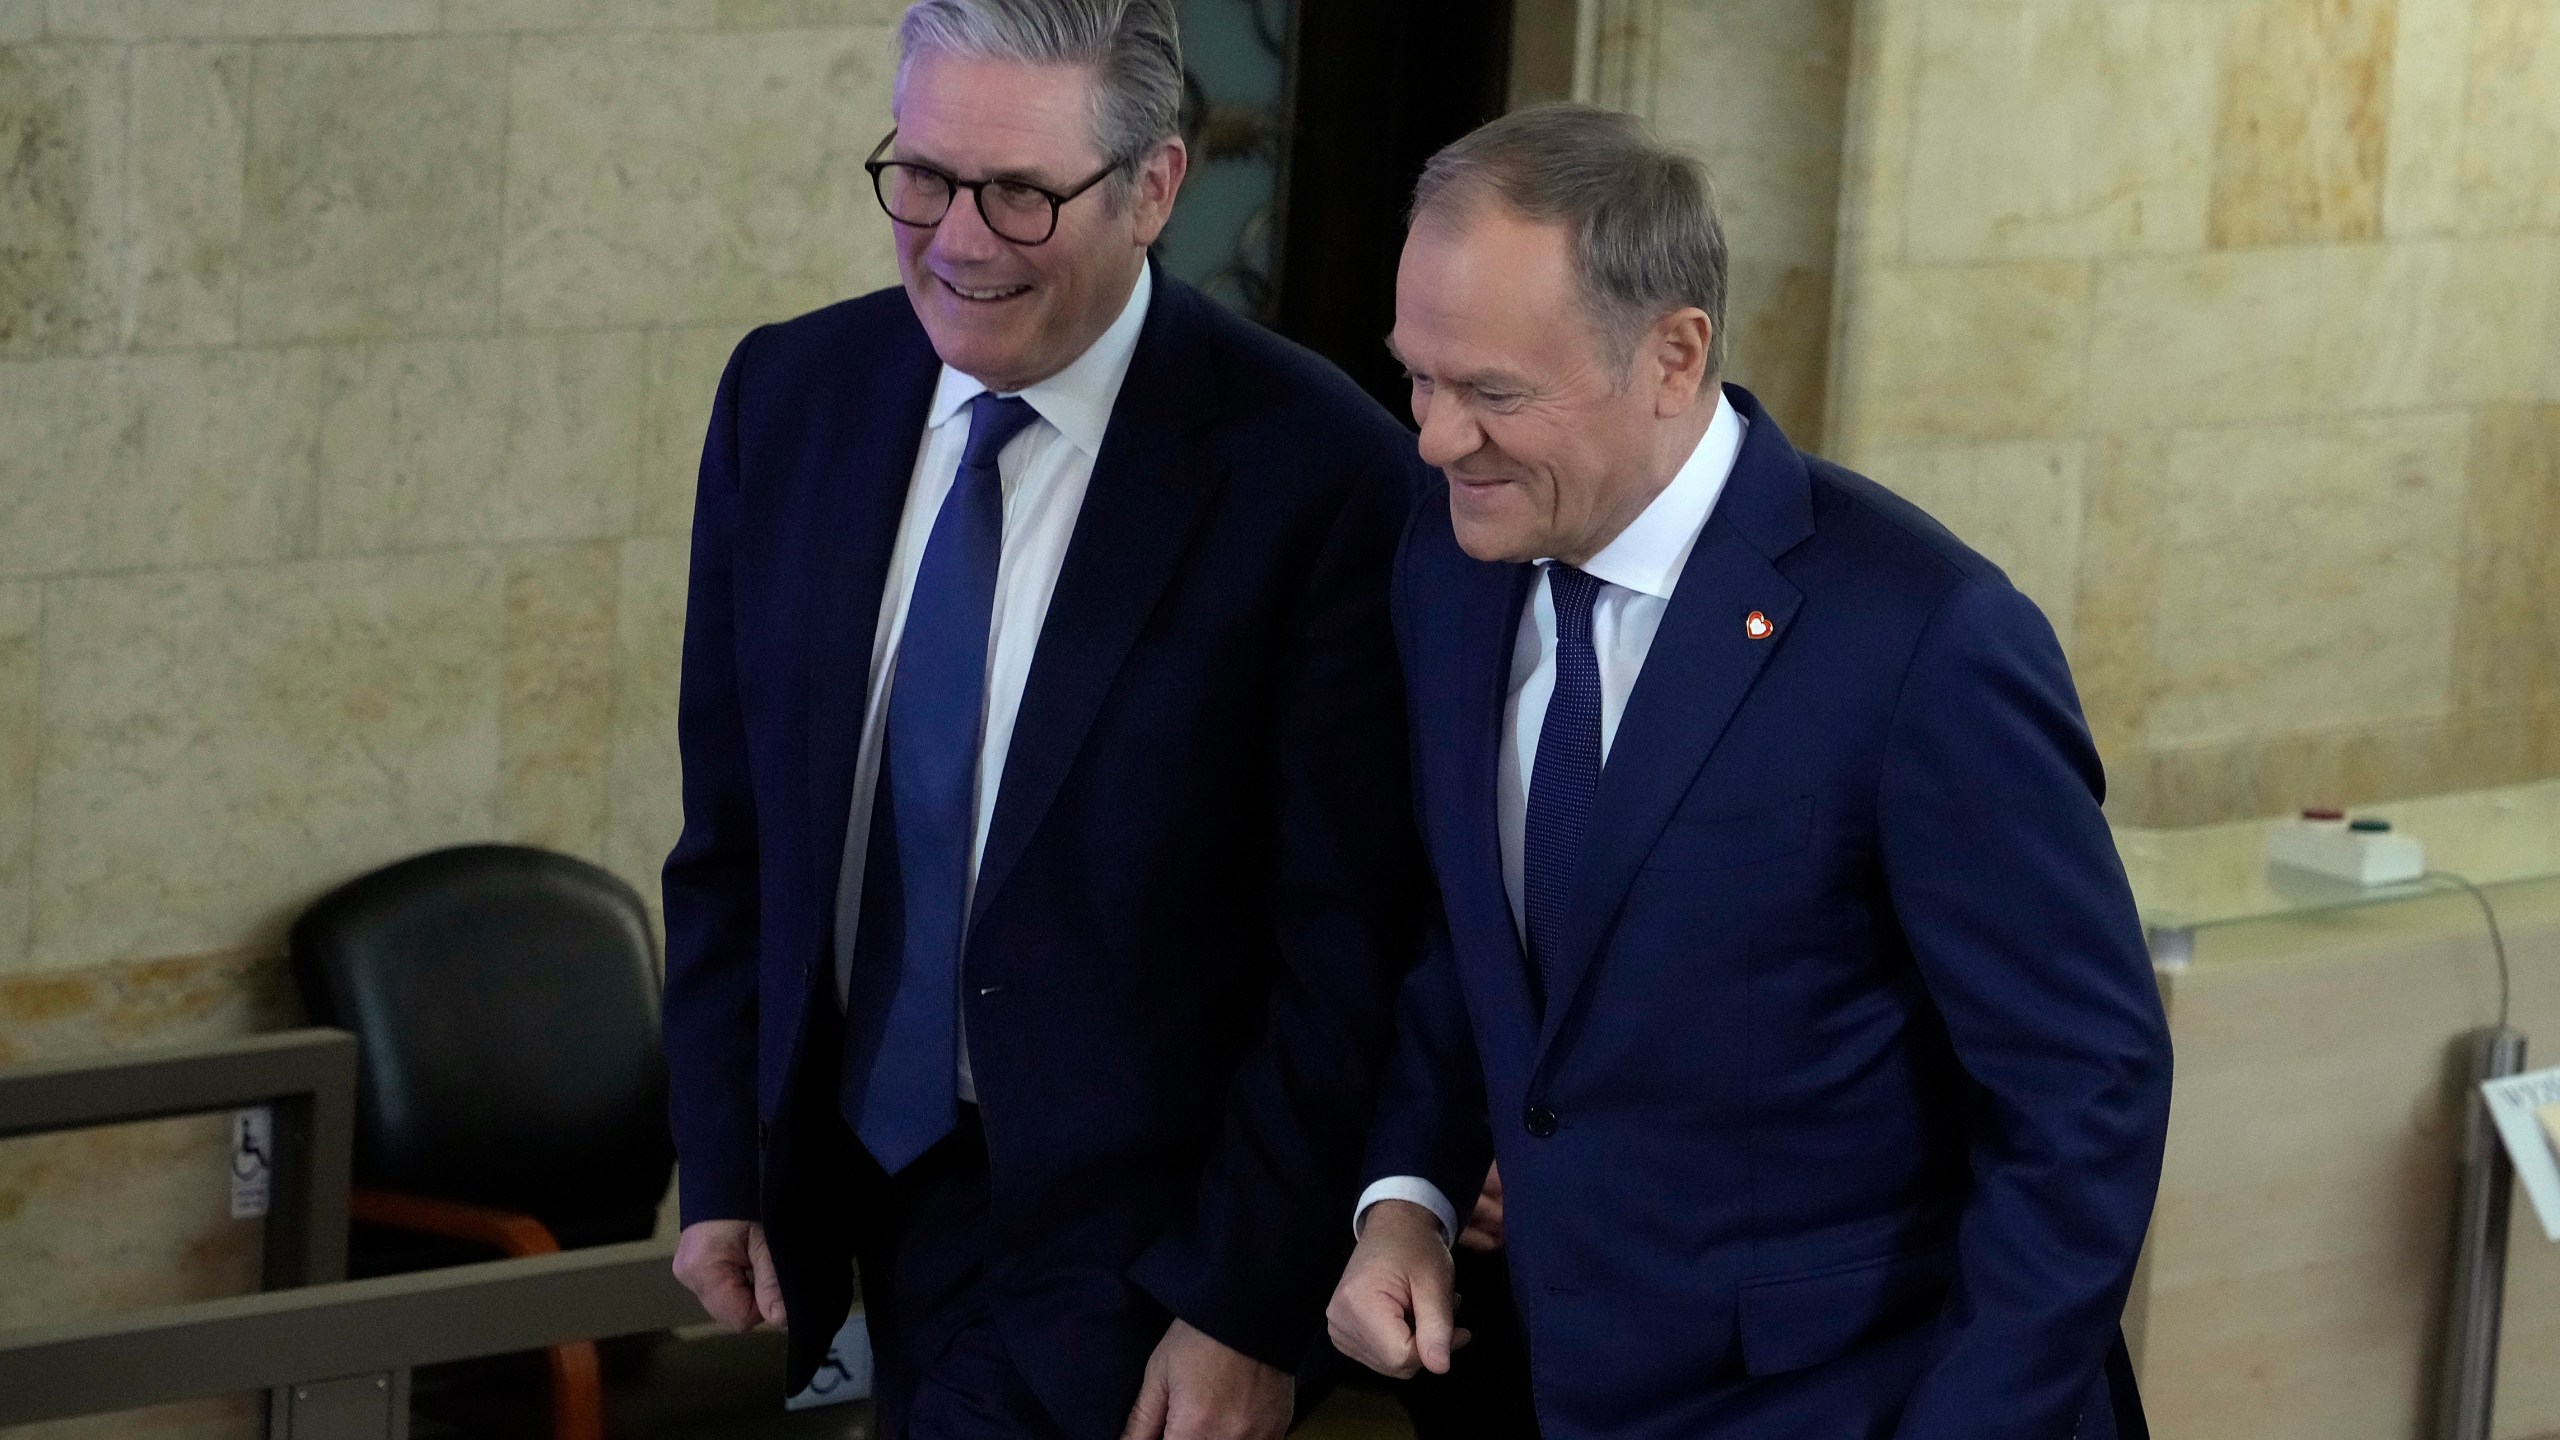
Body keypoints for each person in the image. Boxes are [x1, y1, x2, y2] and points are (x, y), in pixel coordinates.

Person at [1326, 105, 2174, 1440]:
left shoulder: (1926, 639)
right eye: (1419, 378)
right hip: (1530, 1387)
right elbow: (1471, 935)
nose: (1435, 440)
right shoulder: (1448, 562)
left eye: (1493, 393)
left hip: (1848, 1400)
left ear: (1674, 356)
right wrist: (1405, 1206)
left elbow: (2084, 1098)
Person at [658, 3, 1429, 1437]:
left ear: (1155, 189)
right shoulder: (790, 398)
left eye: (1021, 193)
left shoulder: (1319, 478)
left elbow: (1347, 954)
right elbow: (735, 830)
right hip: (847, 1193)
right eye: (926, 178)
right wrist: (726, 1158)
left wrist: (1245, 1297)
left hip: (1128, 1255)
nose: (957, 239)